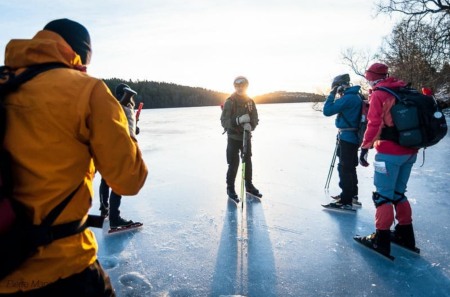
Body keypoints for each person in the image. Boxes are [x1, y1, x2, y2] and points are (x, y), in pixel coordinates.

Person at [0, 19, 147, 296]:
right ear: (81, 53)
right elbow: (129, 180)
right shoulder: (86, 89)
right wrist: (127, 132)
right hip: (64, 268)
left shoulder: (6, 84)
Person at [355, 63, 419, 258]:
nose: (367, 80)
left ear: (372, 77)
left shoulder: (379, 94)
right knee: (399, 193)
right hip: (410, 151)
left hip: (389, 154)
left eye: (368, 77)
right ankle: (405, 235)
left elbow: (374, 124)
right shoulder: (402, 90)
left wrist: (365, 147)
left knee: (383, 195)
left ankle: (380, 240)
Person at [99, 83, 141, 229]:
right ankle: (114, 217)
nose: (129, 97)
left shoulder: (125, 107)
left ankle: (106, 209)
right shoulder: (117, 105)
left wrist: (135, 128)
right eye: (125, 93)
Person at [323, 74, 362, 210]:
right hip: (353, 136)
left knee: (344, 167)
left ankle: (346, 200)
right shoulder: (356, 96)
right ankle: (351, 195)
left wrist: (331, 94)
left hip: (347, 137)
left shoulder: (348, 98)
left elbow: (327, 111)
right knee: (350, 167)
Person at [220, 76, 260, 202]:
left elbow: (255, 118)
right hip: (233, 138)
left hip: (245, 137)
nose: (240, 88)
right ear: (235, 87)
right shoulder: (230, 101)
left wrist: (251, 126)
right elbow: (224, 121)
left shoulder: (250, 102)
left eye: (242, 86)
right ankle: (230, 188)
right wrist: (238, 120)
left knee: (247, 161)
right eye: (237, 86)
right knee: (234, 163)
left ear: (246, 87)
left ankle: (249, 185)